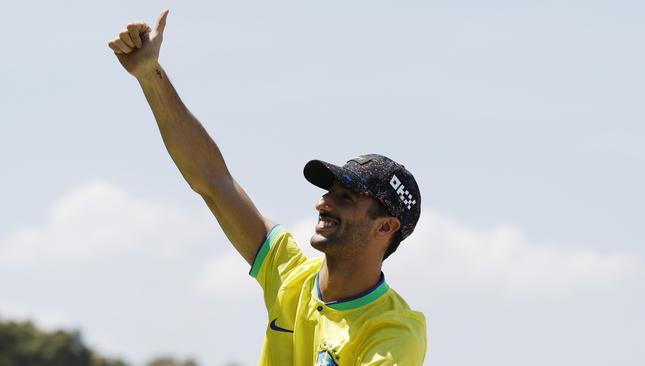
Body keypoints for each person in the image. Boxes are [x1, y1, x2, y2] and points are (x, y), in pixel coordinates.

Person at [108, 10, 426, 365]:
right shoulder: (290, 275)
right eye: (329, 191)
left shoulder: (394, 333)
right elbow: (213, 181)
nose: (323, 203)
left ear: (385, 226)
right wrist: (150, 76)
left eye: (345, 198)